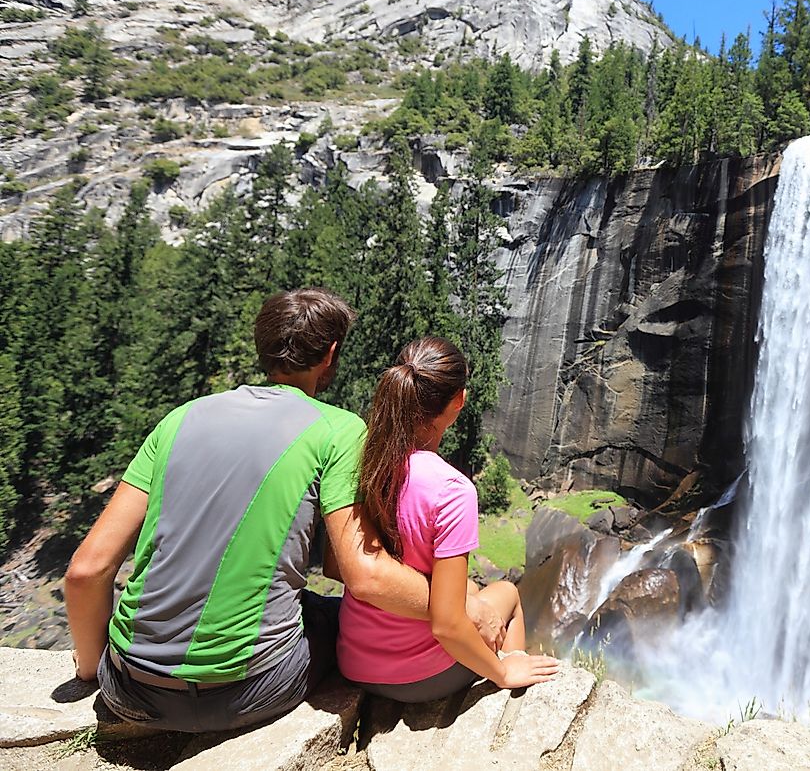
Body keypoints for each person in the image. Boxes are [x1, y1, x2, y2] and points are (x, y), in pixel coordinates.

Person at [64, 288, 503, 732]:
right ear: (331, 354)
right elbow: (366, 575)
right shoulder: (337, 429)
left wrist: (92, 672)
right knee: (340, 619)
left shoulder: (179, 418)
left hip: (130, 690)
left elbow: (86, 570)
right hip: (251, 690)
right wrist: (464, 604)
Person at [337, 335, 559, 700]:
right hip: (418, 677)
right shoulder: (452, 490)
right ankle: (514, 671)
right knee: (507, 592)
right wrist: (501, 671)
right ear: (459, 400)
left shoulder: (369, 462)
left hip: (354, 661)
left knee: (474, 591)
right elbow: (446, 623)